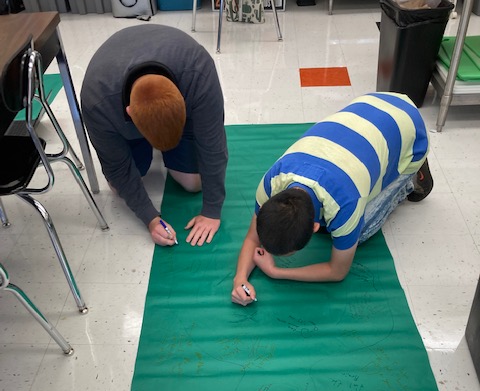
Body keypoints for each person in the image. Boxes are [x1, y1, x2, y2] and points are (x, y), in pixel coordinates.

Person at [231, 91, 433, 306]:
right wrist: (239, 279)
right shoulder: (272, 181)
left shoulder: (345, 204)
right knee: (342, 233)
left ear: (315, 227)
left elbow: (337, 271)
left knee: (358, 232)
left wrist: (276, 272)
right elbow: (253, 238)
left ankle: (413, 175)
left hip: (411, 130)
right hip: (371, 104)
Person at [81, 24, 228, 247]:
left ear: (184, 102)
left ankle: (169, 139)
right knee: (118, 187)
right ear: (129, 113)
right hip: (116, 103)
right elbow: (118, 168)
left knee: (193, 184)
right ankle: (145, 143)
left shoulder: (199, 73)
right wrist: (149, 218)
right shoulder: (97, 101)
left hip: (178, 80)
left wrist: (212, 211)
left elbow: (212, 146)